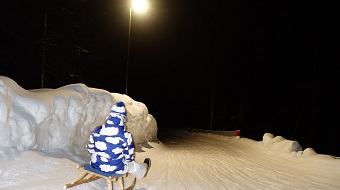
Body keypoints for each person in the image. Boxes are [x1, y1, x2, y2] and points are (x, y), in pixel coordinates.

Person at [86, 101, 150, 180]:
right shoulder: (126, 136)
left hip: (95, 164)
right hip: (115, 169)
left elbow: (90, 150)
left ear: (110, 115)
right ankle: (144, 168)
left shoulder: (97, 130)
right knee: (132, 165)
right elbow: (129, 158)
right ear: (122, 118)